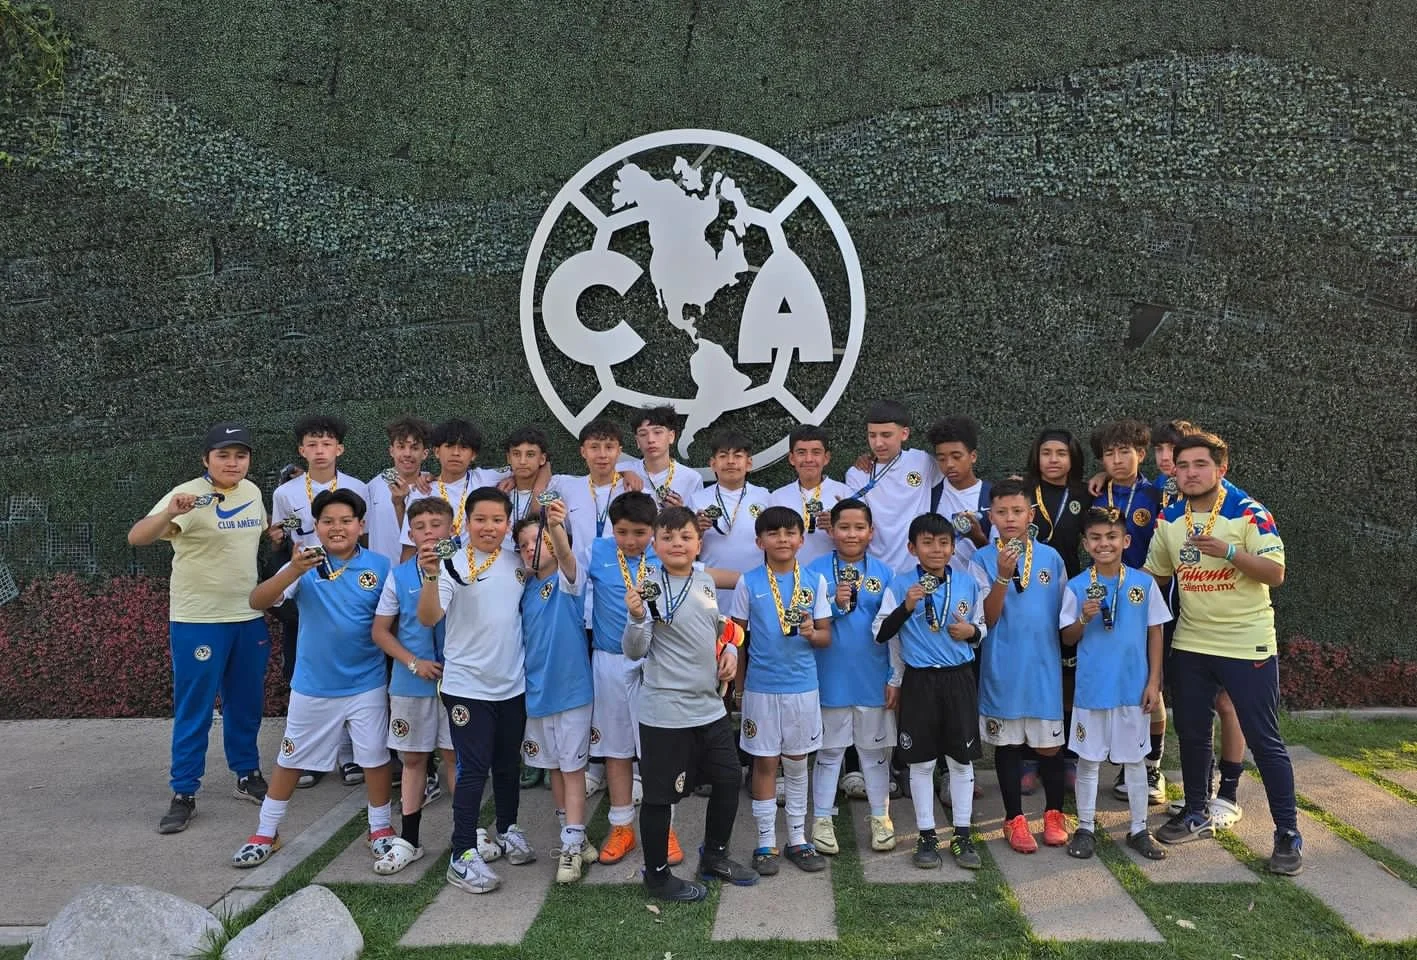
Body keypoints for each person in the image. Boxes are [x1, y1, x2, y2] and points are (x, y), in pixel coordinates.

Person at [1145, 433, 1302, 875]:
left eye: (1200, 464)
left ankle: (1287, 834)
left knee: (1265, 740)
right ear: (1172, 470)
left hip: (1245, 642)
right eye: (1183, 465)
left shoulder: (1248, 512)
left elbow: (1275, 573)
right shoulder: (1170, 515)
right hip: (1191, 641)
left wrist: (1229, 552)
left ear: (1220, 469)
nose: (1191, 473)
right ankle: (1196, 809)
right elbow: (1154, 575)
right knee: (1192, 733)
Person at [232, 489, 395, 870]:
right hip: (313, 685)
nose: (337, 528)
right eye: (328, 522)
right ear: (316, 527)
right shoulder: (302, 565)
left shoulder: (381, 566)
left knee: (374, 758)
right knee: (290, 760)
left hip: (367, 683)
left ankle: (381, 829)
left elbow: (393, 622)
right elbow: (258, 601)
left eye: (345, 521)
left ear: (361, 525)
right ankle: (266, 833)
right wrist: (293, 569)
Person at [129, 423, 271, 835]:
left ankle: (247, 775)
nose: (232, 463)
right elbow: (137, 537)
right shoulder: (186, 494)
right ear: (205, 459)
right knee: (196, 708)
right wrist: (171, 512)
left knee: (246, 703)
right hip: (198, 620)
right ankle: (184, 792)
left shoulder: (252, 492)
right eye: (223, 455)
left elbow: (257, 533)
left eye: (240, 455)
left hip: (247, 617)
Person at [623, 506, 758, 902]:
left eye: (684, 537)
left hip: (709, 706)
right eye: (667, 538)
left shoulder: (704, 580)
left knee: (730, 777)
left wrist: (731, 648)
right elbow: (633, 651)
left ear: (699, 543)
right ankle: (658, 876)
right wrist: (635, 618)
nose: (676, 544)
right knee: (661, 796)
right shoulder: (646, 587)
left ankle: (714, 856)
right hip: (666, 711)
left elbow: (719, 627)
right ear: (655, 544)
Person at [420, 487, 535, 894]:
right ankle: (463, 854)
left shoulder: (518, 563)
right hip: (467, 687)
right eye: (480, 520)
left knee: (507, 764)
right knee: (472, 768)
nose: (489, 527)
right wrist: (432, 576)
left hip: (512, 684)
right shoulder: (449, 563)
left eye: (497, 520)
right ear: (465, 523)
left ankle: (507, 829)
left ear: (507, 523)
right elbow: (430, 615)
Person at [873, 512, 987, 870]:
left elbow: (982, 628)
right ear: (912, 547)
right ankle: (926, 835)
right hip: (920, 681)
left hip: (959, 678)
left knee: (961, 760)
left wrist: (970, 632)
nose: (936, 549)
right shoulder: (901, 585)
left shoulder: (968, 583)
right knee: (921, 763)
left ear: (953, 547)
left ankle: (963, 834)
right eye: (927, 542)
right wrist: (907, 606)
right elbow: (881, 633)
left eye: (943, 543)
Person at [1060, 507, 1168, 862]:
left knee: (1136, 761)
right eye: (1095, 537)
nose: (1103, 544)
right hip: (1092, 689)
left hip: (1132, 689)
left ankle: (1139, 828)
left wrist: (1154, 681)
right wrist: (1083, 617)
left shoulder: (1143, 583)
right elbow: (1067, 637)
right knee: (1088, 761)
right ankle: (1086, 827)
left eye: (1111, 537)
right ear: (1085, 543)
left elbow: (1155, 631)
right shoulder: (1077, 586)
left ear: (1126, 540)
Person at [730, 506, 833, 876]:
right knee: (764, 763)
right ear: (760, 541)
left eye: (790, 533)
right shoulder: (749, 582)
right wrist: (739, 688)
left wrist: (811, 633)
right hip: (761, 689)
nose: (783, 540)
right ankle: (764, 843)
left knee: (797, 763)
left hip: (802, 689)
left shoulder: (815, 582)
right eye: (773, 534)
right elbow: (736, 638)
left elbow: (825, 636)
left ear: (802, 540)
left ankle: (798, 840)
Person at [270, 415, 371, 786]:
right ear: (301, 450)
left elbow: (367, 539)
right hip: (307, 587)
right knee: (304, 669)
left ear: (339, 449)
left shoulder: (358, 487)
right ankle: (312, 757)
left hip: (346, 588)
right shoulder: (286, 493)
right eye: (311, 444)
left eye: (326, 444)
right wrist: (276, 540)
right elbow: (281, 542)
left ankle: (348, 755)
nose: (319, 450)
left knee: (347, 663)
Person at [583, 492, 683, 866]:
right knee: (616, 748)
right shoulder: (597, 551)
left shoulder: (667, 554)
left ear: (654, 530)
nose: (630, 541)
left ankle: (665, 829)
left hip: (657, 661)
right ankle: (622, 825)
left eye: (640, 532)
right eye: (622, 532)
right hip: (609, 660)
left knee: (658, 749)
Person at [971, 479, 1070, 853]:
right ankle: (1014, 819)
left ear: (1031, 515)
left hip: (1043, 668)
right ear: (991, 516)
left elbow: (1065, 616)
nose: (1010, 519)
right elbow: (987, 618)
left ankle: (1054, 813)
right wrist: (1000, 573)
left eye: (1017, 511)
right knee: (1008, 744)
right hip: (1002, 668)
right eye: (1001, 512)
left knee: (1049, 748)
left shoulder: (1051, 557)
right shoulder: (980, 560)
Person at [512, 496, 599, 884]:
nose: (532, 548)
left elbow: (566, 557)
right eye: (524, 545)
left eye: (539, 540)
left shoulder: (568, 582)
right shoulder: (523, 590)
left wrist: (557, 527)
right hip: (535, 693)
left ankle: (571, 846)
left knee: (574, 769)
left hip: (572, 693)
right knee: (555, 771)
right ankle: (574, 835)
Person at [369, 497, 458, 875]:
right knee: (414, 759)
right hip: (410, 683)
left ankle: (466, 832)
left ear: (452, 529)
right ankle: (410, 838)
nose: (428, 533)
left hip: (459, 682)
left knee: (456, 758)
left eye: (436, 525)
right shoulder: (399, 574)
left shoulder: (466, 569)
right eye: (419, 527)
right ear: (410, 532)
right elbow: (380, 632)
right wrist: (413, 662)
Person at [803, 498, 897, 855]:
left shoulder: (885, 574)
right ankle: (822, 821)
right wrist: (833, 602)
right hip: (829, 678)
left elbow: (894, 632)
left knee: (873, 754)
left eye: (860, 527)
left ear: (871, 533)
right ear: (831, 530)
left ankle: (880, 818)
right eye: (844, 527)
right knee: (829, 753)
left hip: (873, 678)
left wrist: (895, 677)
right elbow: (807, 619)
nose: (851, 534)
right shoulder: (813, 571)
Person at [1023, 427, 1093, 795]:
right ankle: (1028, 757)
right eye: (1047, 452)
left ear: (1073, 458)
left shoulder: (1085, 494)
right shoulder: (1022, 492)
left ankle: (1066, 755)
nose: (1053, 460)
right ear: (1037, 455)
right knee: (1030, 673)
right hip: (1026, 595)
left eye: (1061, 453)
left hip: (1069, 595)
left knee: (1068, 677)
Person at [844, 400, 938, 572]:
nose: (878, 443)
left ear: (904, 434)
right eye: (872, 435)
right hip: (875, 571)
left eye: (886, 435)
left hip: (917, 569)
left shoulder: (923, 461)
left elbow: (957, 467)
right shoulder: (856, 474)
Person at [399, 418, 509, 560]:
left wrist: (512, 480)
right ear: (437, 452)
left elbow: (525, 469)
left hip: (478, 567)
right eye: (449, 446)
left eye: (463, 447)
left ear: (473, 455)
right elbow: (409, 547)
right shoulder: (422, 490)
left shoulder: (484, 478)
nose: (456, 453)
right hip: (437, 568)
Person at [689, 429, 773, 613]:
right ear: (713, 463)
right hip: (710, 592)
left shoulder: (764, 497)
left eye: (738, 455)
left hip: (755, 588)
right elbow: (685, 549)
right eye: (723, 456)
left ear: (749, 463)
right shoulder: (697, 500)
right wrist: (697, 532)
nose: (731, 462)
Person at [770, 425, 853, 565]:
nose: (809, 459)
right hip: (791, 577)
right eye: (801, 452)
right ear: (791, 458)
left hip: (833, 576)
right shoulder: (777, 497)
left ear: (826, 458)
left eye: (816, 452)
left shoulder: (845, 494)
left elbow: (861, 539)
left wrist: (838, 525)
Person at [1087, 419, 1161, 570]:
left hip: (1142, 583)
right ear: (1102, 460)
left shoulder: (1155, 497)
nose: (1117, 460)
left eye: (1124, 451)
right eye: (1109, 454)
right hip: (1098, 585)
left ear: (1140, 455)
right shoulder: (1093, 493)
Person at [925, 416, 992, 567]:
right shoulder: (929, 496)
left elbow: (1001, 559)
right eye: (941, 458)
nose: (949, 464)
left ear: (973, 456)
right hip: (938, 586)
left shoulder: (992, 497)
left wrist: (978, 537)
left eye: (956, 457)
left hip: (981, 586)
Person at [365, 416, 432, 565]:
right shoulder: (373, 487)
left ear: (425, 453)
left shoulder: (433, 487)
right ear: (391, 451)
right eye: (401, 447)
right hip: (380, 575)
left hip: (420, 574)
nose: (407, 454)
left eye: (414, 448)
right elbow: (362, 532)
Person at [626, 405, 705, 508]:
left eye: (657, 432)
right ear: (637, 441)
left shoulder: (692, 478)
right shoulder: (622, 472)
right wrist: (624, 473)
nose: (650, 440)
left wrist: (679, 512)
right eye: (643, 434)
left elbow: (697, 522)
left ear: (671, 436)